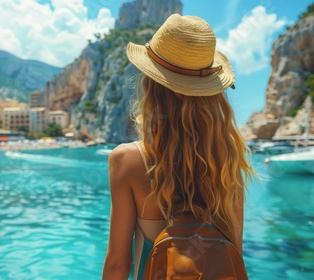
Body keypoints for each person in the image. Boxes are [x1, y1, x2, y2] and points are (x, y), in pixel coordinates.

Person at [102, 14, 257, 280]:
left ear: (152, 86)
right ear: (211, 96)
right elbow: (234, 257)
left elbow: (118, 265)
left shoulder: (127, 160)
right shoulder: (228, 165)